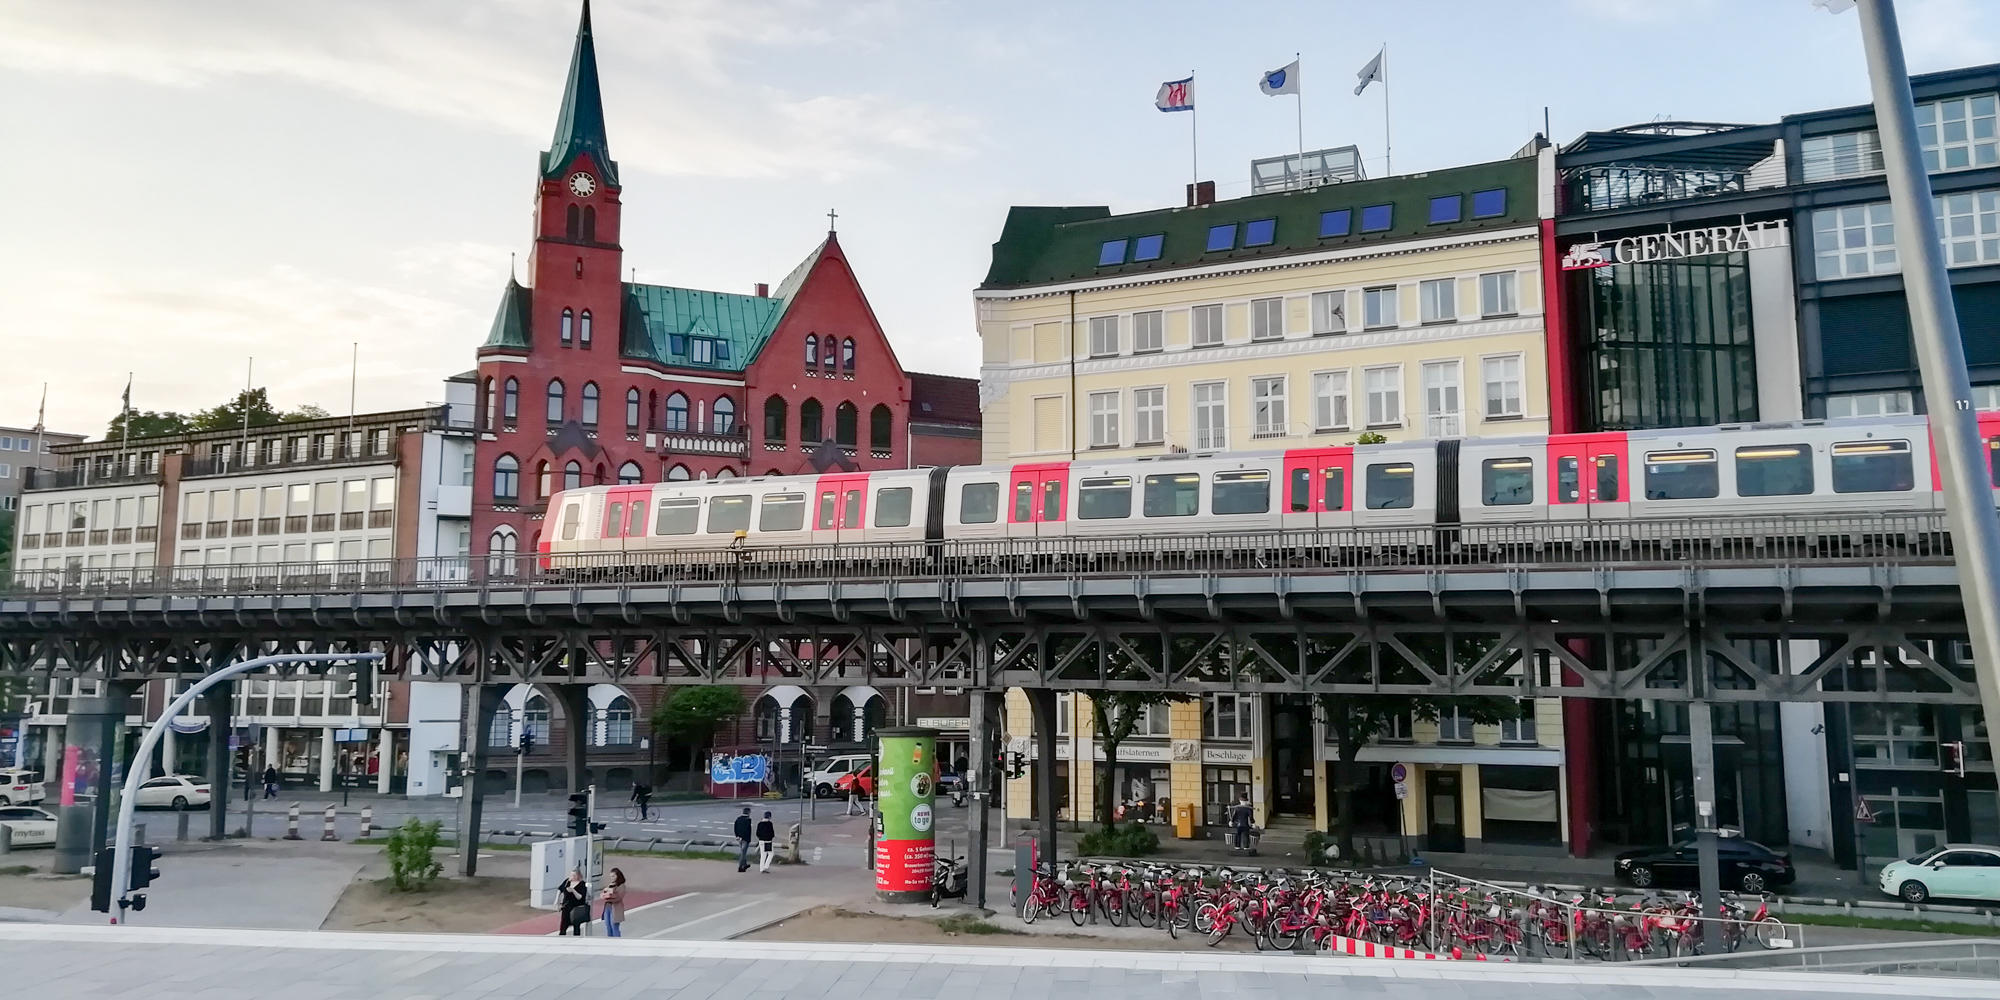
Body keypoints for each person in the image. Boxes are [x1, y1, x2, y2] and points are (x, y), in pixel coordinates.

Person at [557, 870, 591, 936]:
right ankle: (561, 937)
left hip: (576, 907)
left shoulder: (582, 884)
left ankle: (576, 938)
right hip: (566, 907)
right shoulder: (567, 882)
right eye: (571, 875)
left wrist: (573, 890)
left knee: (576, 925)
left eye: (574, 875)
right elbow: (560, 889)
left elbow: (580, 897)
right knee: (563, 925)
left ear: (578, 876)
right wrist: (557, 901)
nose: (573, 877)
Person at [599, 868, 627, 937]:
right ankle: (609, 941)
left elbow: (619, 897)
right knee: (608, 926)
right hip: (607, 907)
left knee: (614, 926)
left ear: (618, 876)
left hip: (615, 908)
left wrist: (610, 895)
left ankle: (617, 941)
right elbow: (604, 894)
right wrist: (605, 893)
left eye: (613, 876)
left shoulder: (621, 886)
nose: (612, 878)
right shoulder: (610, 884)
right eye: (611, 876)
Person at [734, 806, 754, 872]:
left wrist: (737, 835)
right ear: (748, 812)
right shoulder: (748, 820)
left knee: (742, 851)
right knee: (743, 853)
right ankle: (740, 867)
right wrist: (748, 839)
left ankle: (745, 864)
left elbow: (735, 827)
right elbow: (748, 830)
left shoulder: (738, 819)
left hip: (739, 838)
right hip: (745, 838)